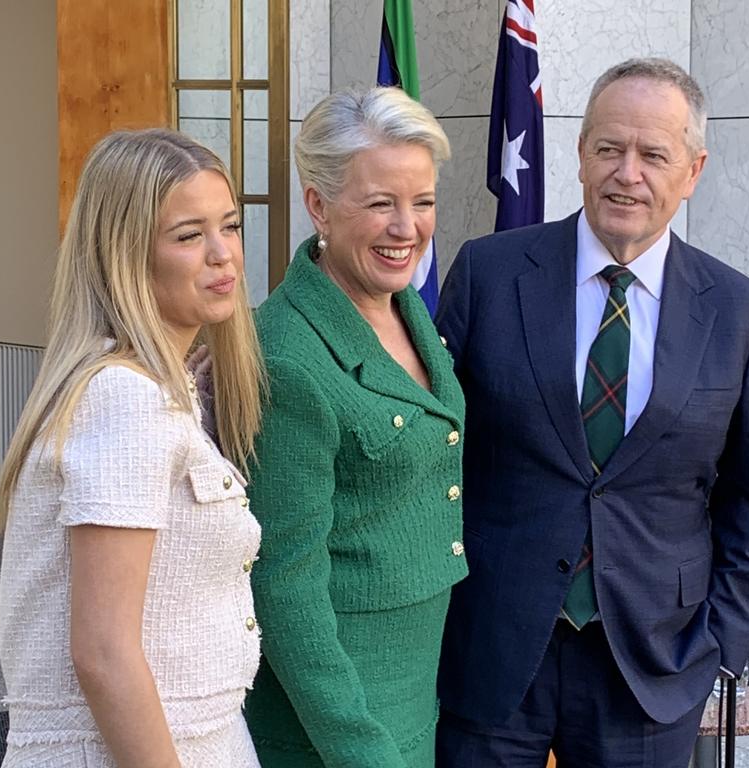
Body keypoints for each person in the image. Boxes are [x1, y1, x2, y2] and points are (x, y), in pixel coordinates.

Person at [434, 58, 749, 767]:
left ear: (694, 169)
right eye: (608, 148)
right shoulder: (488, 273)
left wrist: (720, 648)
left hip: (653, 665)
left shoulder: (739, 311)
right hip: (494, 649)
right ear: (581, 152)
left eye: (654, 154)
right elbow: (437, 454)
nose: (628, 173)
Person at [0, 128, 265, 767]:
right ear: (123, 253)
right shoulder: (124, 398)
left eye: (229, 226)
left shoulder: (157, 388)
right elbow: (104, 651)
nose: (223, 254)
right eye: (189, 235)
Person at [243, 86, 467, 767]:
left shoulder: (401, 305)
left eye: (422, 202)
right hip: (340, 704)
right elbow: (284, 585)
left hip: (416, 675)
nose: (408, 228)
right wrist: (358, 751)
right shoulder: (288, 354)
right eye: (380, 204)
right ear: (318, 205)